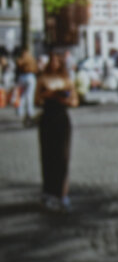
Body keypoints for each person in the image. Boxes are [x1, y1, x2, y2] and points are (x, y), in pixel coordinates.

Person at [35, 51, 78, 212]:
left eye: (57, 61)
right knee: (48, 155)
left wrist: (63, 98)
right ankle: (49, 192)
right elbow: (36, 100)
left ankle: (62, 193)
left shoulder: (67, 80)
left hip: (61, 118)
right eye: (52, 61)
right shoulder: (43, 79)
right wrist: (47, 94)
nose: (54, 64)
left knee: (62, 156)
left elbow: (74, 101)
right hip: (47, 118)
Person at [16, 49, 39, 127]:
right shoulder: (31, 58)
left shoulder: (21, 58)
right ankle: (30, 111)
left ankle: (20, 111)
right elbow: (36, 68)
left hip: (22, 76)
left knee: (22, 95)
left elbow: (18, 64)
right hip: (30, 76)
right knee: (30, 95)